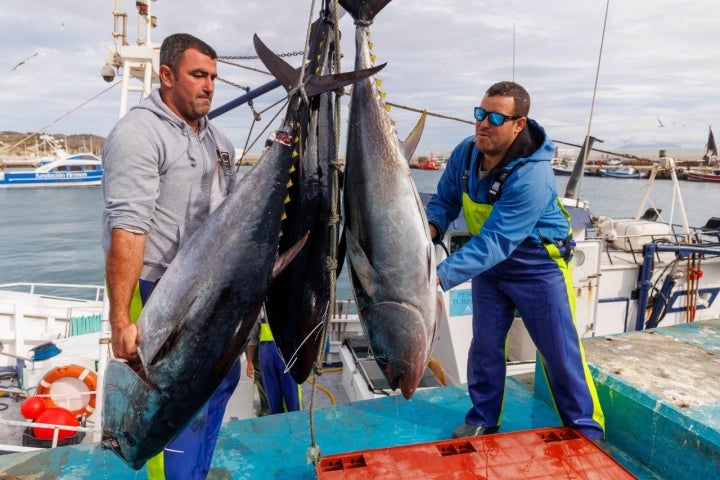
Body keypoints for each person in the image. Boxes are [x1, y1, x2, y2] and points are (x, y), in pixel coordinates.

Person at [425, 81, 605, 440]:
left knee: (559, 351)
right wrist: (426, 232)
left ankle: (585, 428)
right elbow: (444, 202)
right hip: (490, 268)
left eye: (495, 117)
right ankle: (483, 417)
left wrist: (435, 278)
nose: (483, 124)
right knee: (485, 345)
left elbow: (497, 240)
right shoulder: (465, 153)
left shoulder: (532, 175)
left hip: (537, 265)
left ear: (519, 124)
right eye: (480, 114)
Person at [102, 33, 237, 480]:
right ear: (165, 76)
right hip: (158, 291)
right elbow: (128, 228)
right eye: (198, 75)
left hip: (211, 291)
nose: (209, 86)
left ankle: (195, 473)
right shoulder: (139, 134)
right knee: (166, 401)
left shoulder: (218, 140)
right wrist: (121, 318)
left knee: (218, 383)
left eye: (214, 77)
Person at [245, 309, 301, 415]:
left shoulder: (289, 302)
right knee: (272, 397)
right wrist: (249, 361)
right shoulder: (259, 308)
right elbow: (252, 337)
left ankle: (296, 423)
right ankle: (278, 424)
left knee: (292, 396)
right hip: (266, 355)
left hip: (286, 353)